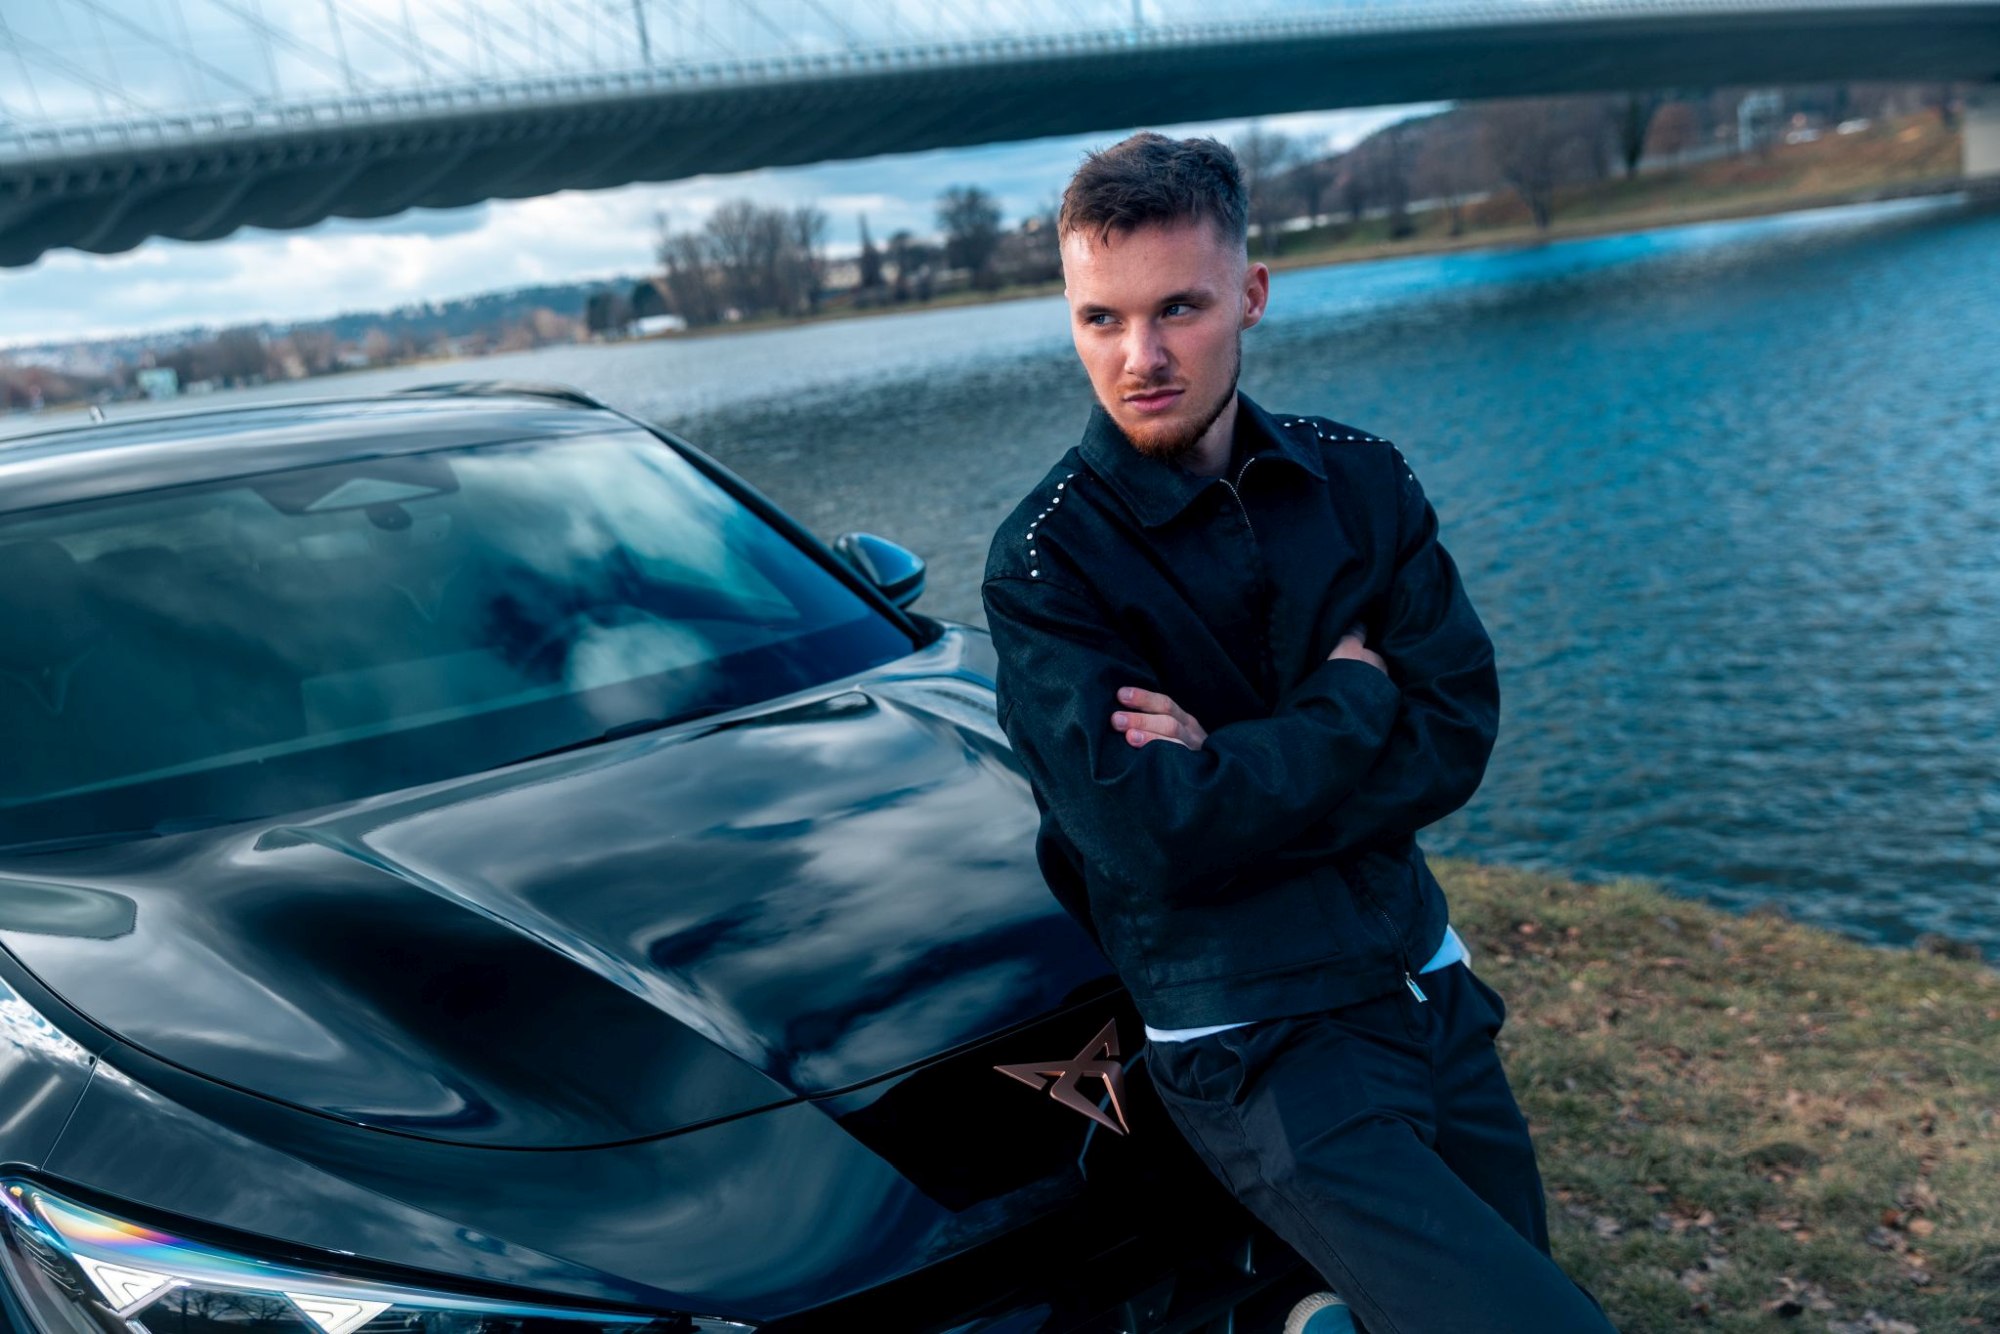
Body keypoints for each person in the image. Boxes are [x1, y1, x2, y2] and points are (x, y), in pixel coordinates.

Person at [980, 131, 1618, 1334]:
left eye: (1177, 308)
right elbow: (1150, 836)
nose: (1138, 356)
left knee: (1519, 1279)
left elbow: (1454, 730)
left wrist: (1225, 768)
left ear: (1251, 295)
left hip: (1420, 972)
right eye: (1100, 318)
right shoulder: (1046, 559)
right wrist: (1346, 705)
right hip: (1252, 1033)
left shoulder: (1360, 480)